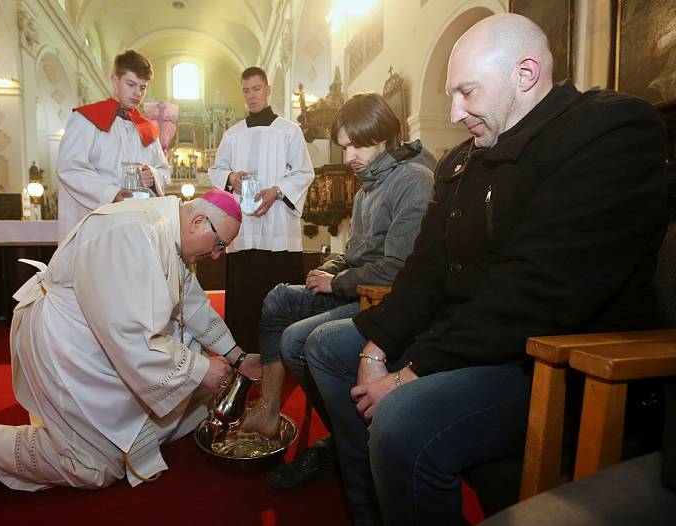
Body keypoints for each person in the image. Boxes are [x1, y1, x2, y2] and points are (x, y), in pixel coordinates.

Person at [292, 13, 668, 525]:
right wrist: (377, 346)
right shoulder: (462, 161)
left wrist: (409, 373)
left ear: (525, 73)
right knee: (332, 346)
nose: (455, 110)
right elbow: (425, 268)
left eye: (467, 92)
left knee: (401, 419)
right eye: (451, 94)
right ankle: (373, 510)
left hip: (555, 360)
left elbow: (535, 294)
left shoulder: (608, 129)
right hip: (469, 336)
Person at [0, 190, 262, 515]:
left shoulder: (168, 232)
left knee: (179, 407)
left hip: (99, 338)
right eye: (218, 244)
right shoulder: (133, 235)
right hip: (66, 344)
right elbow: (134, 337)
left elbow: (192, 305)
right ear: (198, 222)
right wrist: (202, 371)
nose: (216, 255)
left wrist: (236, 355)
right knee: (93, 468)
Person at [241, 93, 436, 471]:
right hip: (357, 285)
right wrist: (329, 268)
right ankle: (270, 407)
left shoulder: (413, 179)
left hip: (382, 300)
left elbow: (399, 268)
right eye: (344, 147)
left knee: (298, 339)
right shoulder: (368, 184)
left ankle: (353, 444)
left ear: (384, 135)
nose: (348, 158)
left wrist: (338, 282)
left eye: (357, 145)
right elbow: (356, 252)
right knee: (278, 298)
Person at [208, 66, 315, 355]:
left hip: (278, 227)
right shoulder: (232, 135)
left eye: (256, 89)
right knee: (245, 300)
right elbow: (215, 170)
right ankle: (245, 357)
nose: (251, 95)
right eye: (246, 90)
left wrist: (277, 191)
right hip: (244, 232)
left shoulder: (289, 131)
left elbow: (305, 172)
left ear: (267, 90)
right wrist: (230, 178)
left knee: (279, 298)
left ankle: (286, 356)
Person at [56, 49, 170, 240]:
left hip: (136, 223)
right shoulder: (86, 119)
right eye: (131, 84)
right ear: (115, 80)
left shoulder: (147, 128)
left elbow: (164, 172)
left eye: (143, 87)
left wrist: (153, 175)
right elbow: (70, 168)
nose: (137, 93)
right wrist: (112, 193)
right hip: (95, 222)